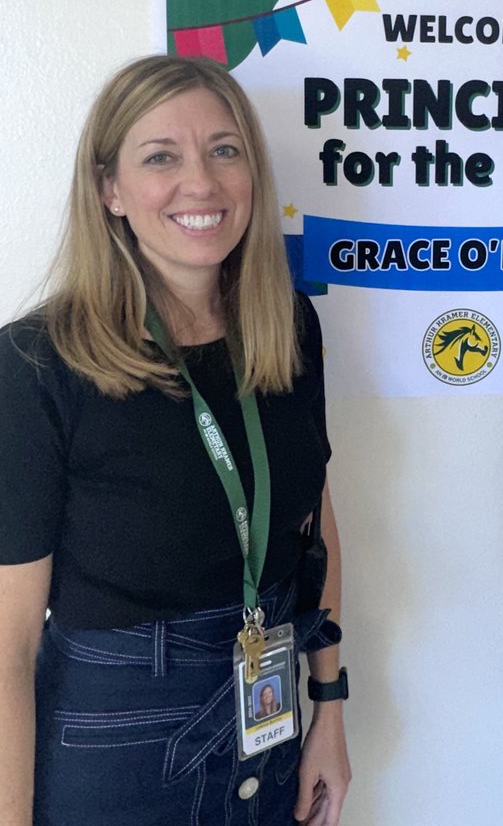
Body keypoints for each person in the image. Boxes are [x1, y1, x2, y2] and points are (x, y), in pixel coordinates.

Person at [0, 55, 351, 826]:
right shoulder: (36, 363)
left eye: (225, 151)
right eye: (162, 157)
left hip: (271, 715)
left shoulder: (288, 330)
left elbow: (312, 530)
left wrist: (329, 708)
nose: (202, 182)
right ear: (109, 190)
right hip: (117, 741)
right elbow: (8, 646)